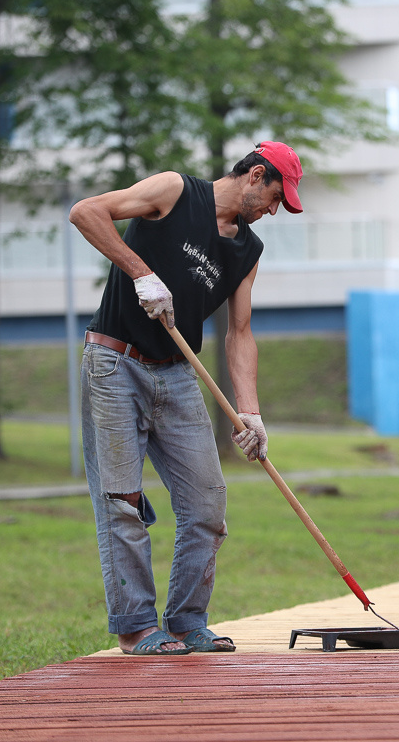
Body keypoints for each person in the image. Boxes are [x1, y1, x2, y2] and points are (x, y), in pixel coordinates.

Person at [69, 141, 303, 655]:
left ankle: (187, 622)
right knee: (123, 502)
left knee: (206, 503)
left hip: (176, 375)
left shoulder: (247, 250)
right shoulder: (176, 191)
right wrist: (140, 272)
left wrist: (251, 412)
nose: (272, 212)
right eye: (273, 199)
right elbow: (86, 212)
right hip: (115, 363)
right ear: (254, 176)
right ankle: (136, 627)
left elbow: (239, 333)